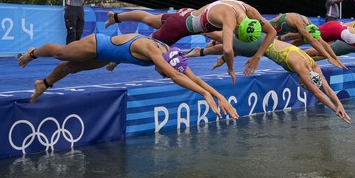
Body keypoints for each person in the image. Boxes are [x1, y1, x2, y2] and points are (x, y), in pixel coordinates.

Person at [16, 33, 238, 119]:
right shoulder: (156, 53)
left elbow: (193, 77)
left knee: (72, 68)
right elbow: (175, 77)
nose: (161, 75)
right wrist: (204, 96)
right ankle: (33, 53)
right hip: (98, 43)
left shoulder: (172, 54)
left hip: (110, 54)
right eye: (162, 73)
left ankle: (43, 84)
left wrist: (219, 96)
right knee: (61, 53)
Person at [189, 33, 351, 124]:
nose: (303, 85)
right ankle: (194, 25)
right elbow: (318, 93)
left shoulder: (313, 67)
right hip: (260, 45)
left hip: (263, 42)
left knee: (235, 49)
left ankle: (203, 51)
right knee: (227, 41)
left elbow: (326, 88)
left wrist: (339, 105)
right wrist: (335, 109)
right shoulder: (301, 68)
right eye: (304, 85)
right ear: (304, 80)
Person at [105, 0, 276, 83]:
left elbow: (272, 31)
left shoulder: (248, 10)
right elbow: (228, 50)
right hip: (180, 27)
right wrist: (231, 69)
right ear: (239, 27)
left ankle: (116, 17)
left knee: (151, 19)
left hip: (186, 13)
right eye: (237, 35)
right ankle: (115, 59)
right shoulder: (230, 21)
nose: (234, 35)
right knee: (149, 49)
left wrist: (257, 57)